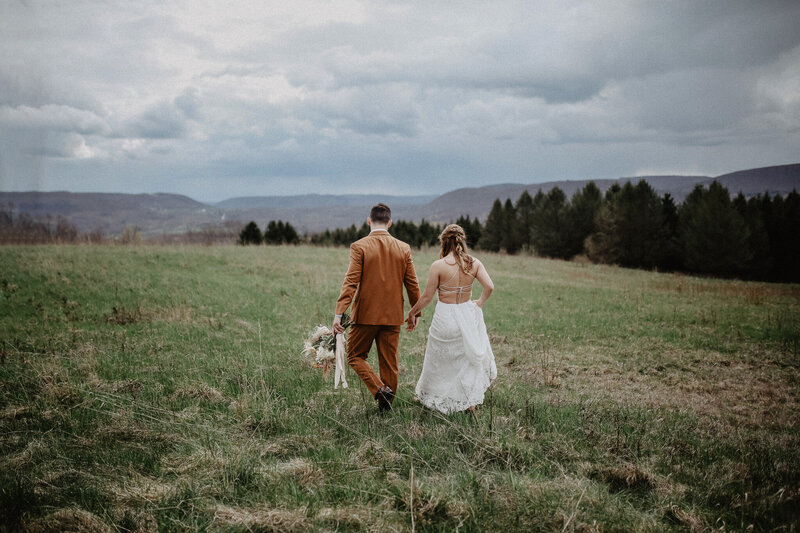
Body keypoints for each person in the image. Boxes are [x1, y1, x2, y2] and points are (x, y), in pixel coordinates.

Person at [334, 203, 421, 411]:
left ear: (368, 221)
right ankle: (386, 406)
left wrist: (339, 313)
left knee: (355, 355)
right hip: (393, 316)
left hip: (365, 315)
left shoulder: (359, 246)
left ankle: (380, 389)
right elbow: (412, 283)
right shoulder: (404, 248)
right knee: (390, 363)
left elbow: (351, 282)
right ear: (389, 222)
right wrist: (415, 311)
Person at [406, 224, 497, 414]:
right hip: (466, 313)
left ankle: (432, 395)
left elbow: (427, 297)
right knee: (465, 360)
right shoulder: (474, 263)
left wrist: (412, 312)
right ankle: (468, 402)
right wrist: (479, 303)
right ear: (462, 241)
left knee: (438, 358)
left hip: (445, 316)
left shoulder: (438, 266)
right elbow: (489, 287)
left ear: (443, 241)